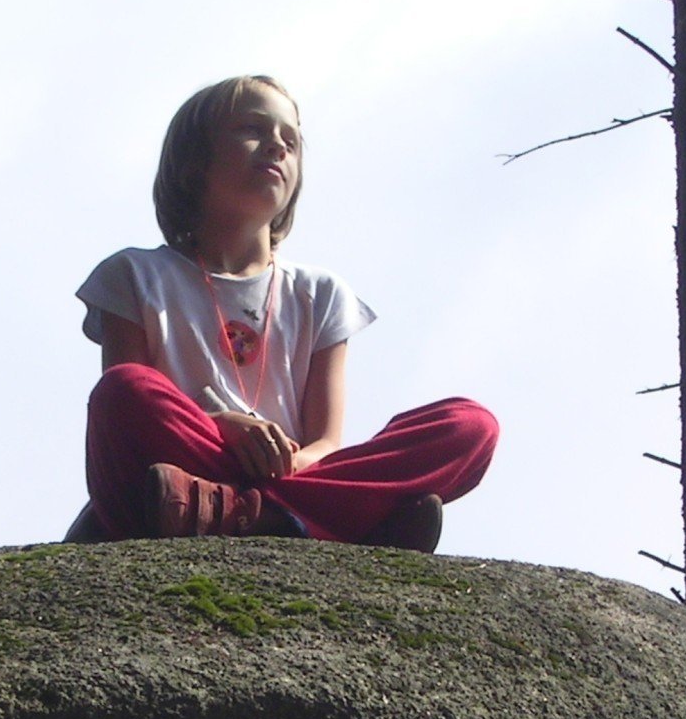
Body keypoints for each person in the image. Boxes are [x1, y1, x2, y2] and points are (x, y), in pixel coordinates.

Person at [67, 74, 497, 553]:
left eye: (289, 140)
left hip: (287, 472)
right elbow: (130, 405)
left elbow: (324, 444)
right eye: (252, 129)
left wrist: (290, 466)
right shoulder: (134, 275)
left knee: (470, 425)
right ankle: (325, 522)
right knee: (123, 392)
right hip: (181, 460)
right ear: (193, 161)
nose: (275, 146)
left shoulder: (320, 293)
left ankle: (251, 514)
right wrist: (225, 426)